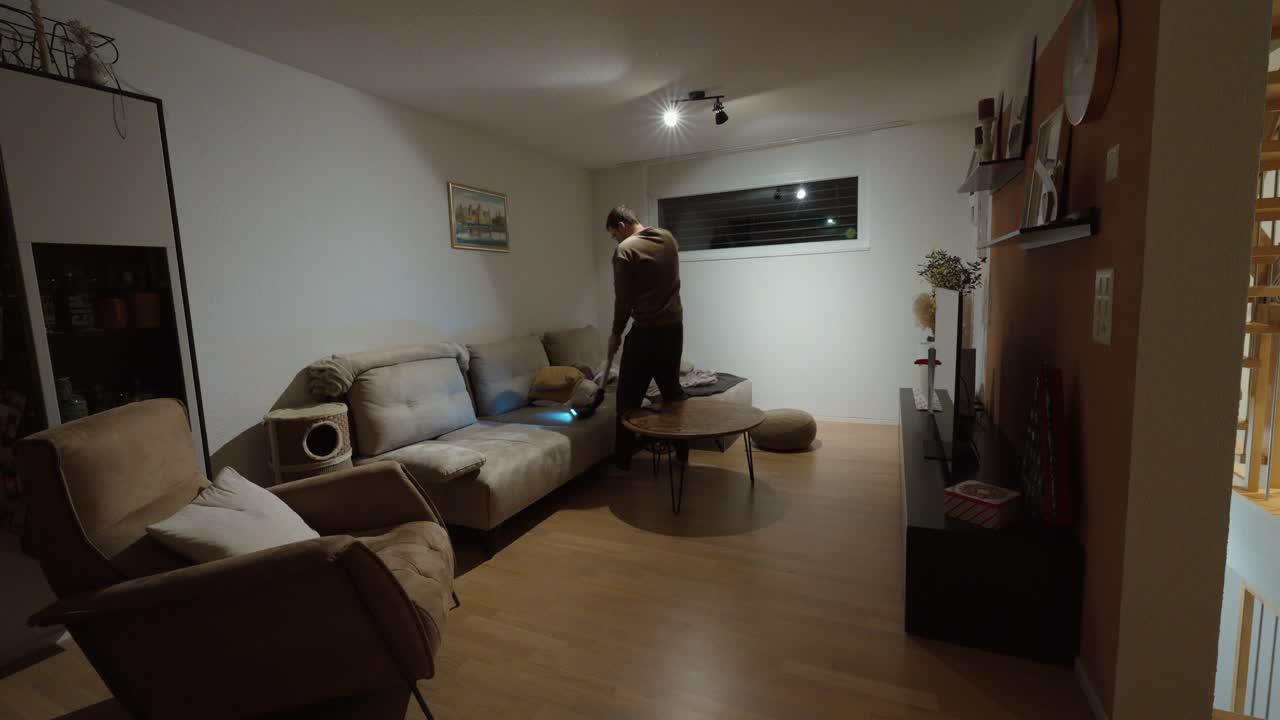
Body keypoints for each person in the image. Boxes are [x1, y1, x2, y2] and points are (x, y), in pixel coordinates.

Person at [605, 204, 686, 470]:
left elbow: (623, 302)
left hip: (647, 332)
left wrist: (616, 333)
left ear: (621, 226)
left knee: (627, 398)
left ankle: (623, 461)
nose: (616, 240)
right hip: (674, 329)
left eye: (614, 235)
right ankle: (683, 452)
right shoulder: (667, 237)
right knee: (672, 392)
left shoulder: (625, 250)